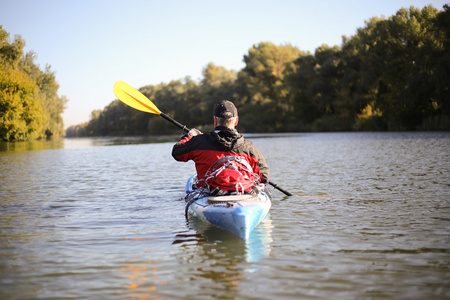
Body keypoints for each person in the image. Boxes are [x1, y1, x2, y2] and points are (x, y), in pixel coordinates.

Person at [172, 100, 270, 193]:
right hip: (243, 193)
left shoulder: (199, 142)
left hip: (209, 195)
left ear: (215, 120)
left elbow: (177, 153)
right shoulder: (249, 147)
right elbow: (264, 177)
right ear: (236, 121)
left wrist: (190, 137)